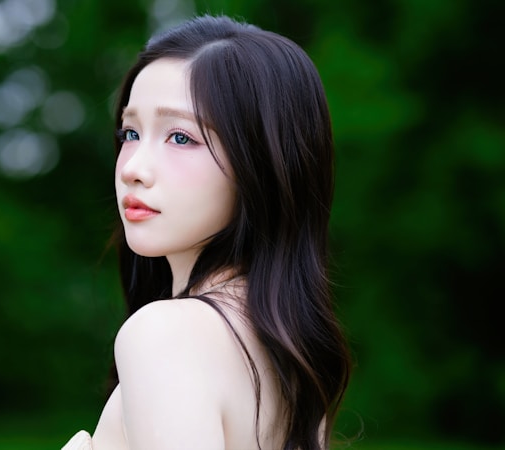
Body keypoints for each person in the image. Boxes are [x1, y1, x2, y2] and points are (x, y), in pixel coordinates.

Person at [63, 14, 352, 450]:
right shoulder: (287, 354)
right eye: (130, 132)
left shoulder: (165, 336)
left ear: (262, 165)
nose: (135, 168)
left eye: (180, 138)